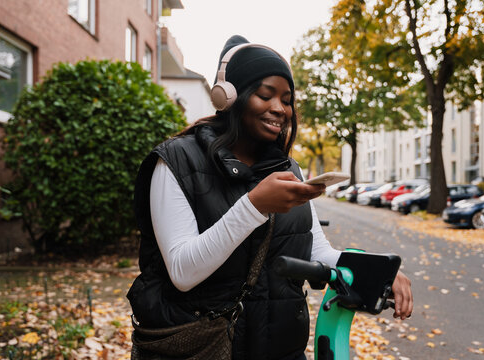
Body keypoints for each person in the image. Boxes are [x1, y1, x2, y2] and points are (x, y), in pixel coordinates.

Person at [127, 35, 413, 360]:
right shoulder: (176, 162)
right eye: (266, 95)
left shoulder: (290, 169)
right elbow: (182, 272)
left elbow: (316, 251)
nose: (279, 108)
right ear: (231, 97)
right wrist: (254, 205)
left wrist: (375, 269)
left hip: (281, 350)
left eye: (287, 99)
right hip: (200, 348)